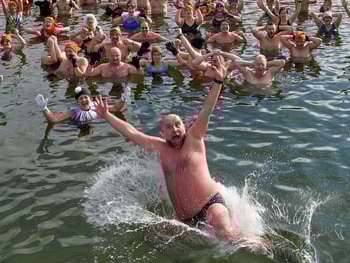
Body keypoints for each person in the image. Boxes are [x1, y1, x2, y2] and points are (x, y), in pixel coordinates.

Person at [92, 75, 241, 240]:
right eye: (169, 127)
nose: (175, 129)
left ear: (185, 127)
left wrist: (218, 81)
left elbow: (207, 108)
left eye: (178, 125)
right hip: (185, 219)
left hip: (210, 203)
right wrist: (106, 115)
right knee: (151, 236)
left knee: (224, 230)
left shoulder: (194, 139)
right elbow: (132, 132)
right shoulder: (160, 147)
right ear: (162, 133)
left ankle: (259, 247)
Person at [36, 86, 125, 126]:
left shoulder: (97, 107)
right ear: (77, 102)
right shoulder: (73, 112)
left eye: (86, 97)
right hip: (77, 126)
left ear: (90, 99)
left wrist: (123, 99)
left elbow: (115, 108)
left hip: (93, 124)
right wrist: (44, 109)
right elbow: (54, 120)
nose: (83, 100)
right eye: (80, 99)